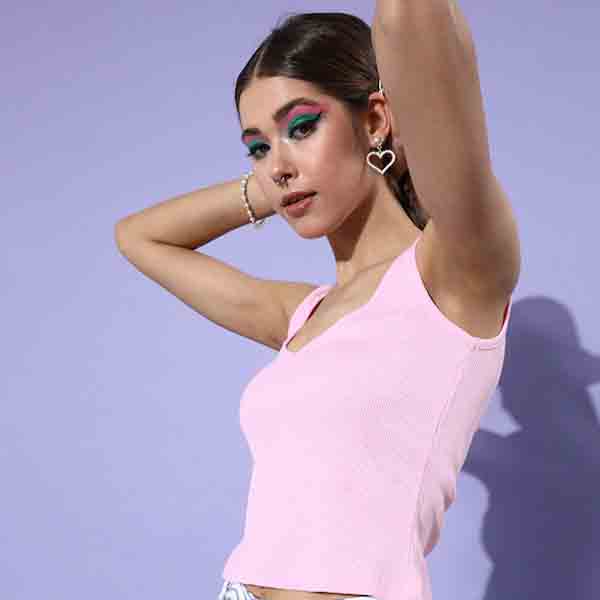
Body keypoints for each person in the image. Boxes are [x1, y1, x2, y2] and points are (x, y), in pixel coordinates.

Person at [116, 9, 519, 600]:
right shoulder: (302, 314)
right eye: (257, 147)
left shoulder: (455, 272)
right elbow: (138, 237)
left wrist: (300, 168)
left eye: (302, 126)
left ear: (375, 118)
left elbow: (413, 22)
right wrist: (282, 178)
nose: (276, 164)